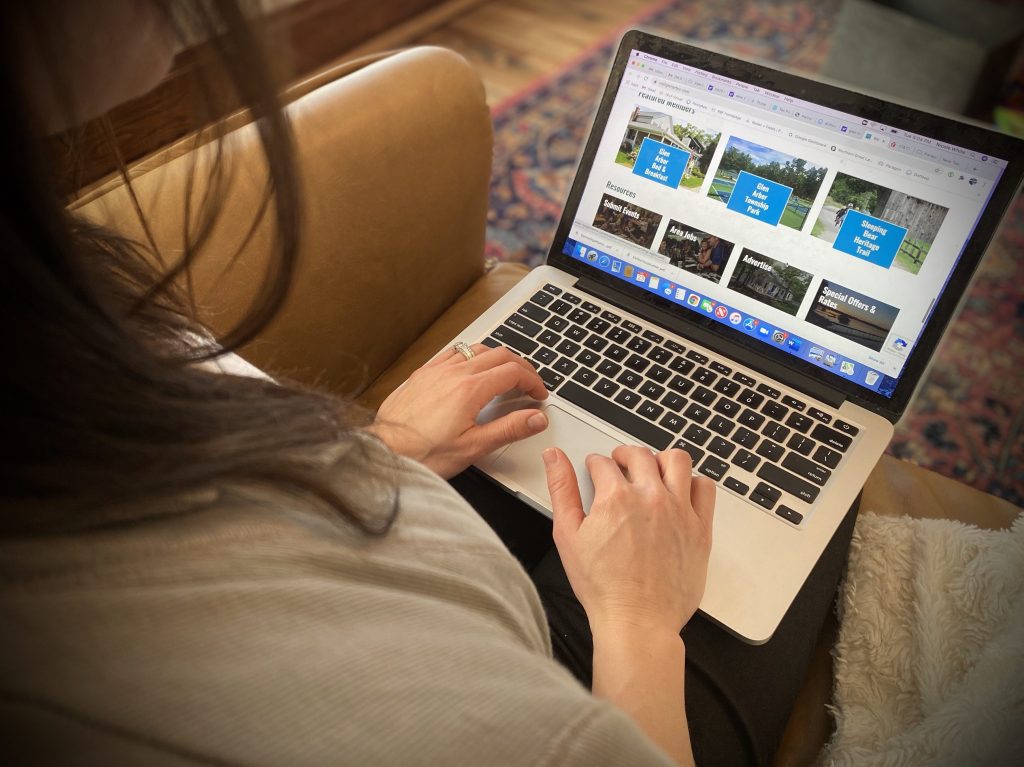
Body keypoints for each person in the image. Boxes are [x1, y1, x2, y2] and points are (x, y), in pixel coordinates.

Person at [0, 3, 853, 765]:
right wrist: (637, 622)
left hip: (408, 539)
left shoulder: (53, 289)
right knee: (814, 494)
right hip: (581, 690)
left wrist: (388, 448)